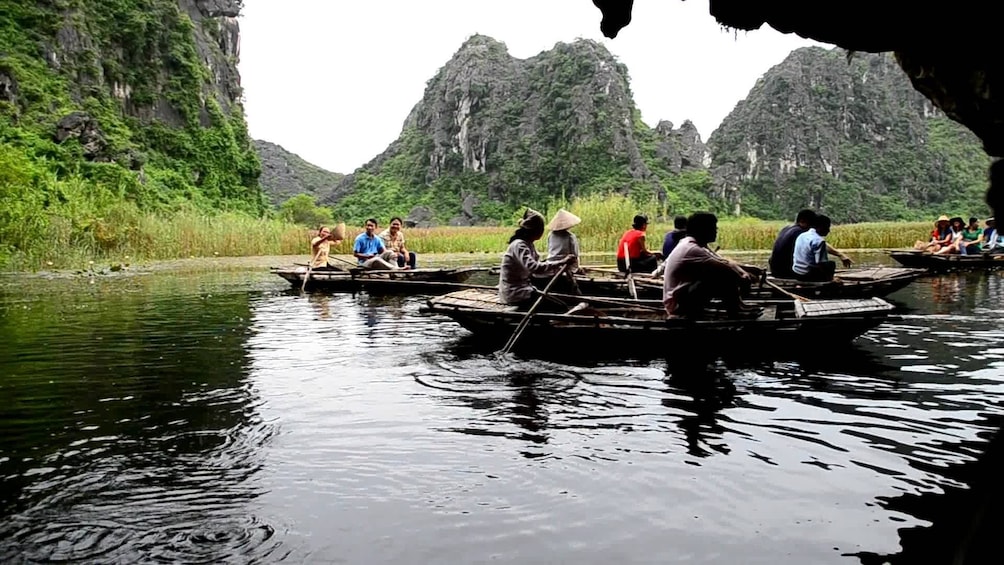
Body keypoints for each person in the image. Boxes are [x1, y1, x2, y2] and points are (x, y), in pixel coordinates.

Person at [663, 211, 759, 318]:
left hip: (682, 296)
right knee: (719, 275)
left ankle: (739, 306)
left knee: (721, 272)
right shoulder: (692, 248)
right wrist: (744, 278)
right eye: (713, 227)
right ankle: (735, 311)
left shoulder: (695, 244)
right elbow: (725, 268)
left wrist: (743, 271)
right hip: (677, 305)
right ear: (703, 229)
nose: (716, 230)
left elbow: (724, 261)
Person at [499, 208, 574, 310]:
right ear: (534, 230)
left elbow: (537, 266)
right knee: (560, 307)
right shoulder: (519, 245)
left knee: (561, 304)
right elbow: (534, 268)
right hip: (515, 292)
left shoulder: (528, 244)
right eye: (541, 229)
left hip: (526, 288)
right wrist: (562, 261)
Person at [769, 209, 852, 278]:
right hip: (786, 273)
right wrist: (839, 254)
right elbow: (818, 244)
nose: (813, 227)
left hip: (775, 271)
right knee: (829, 265)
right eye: (811, 224)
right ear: (802, 221)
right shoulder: (800, 232)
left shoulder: (786, 229)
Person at [792, 214, 837, 281]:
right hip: (808, 275)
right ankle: (830, 281)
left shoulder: (802, 235)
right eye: (827, 227)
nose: (828, 230)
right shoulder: (819, 241)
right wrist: (829, 277)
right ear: (821, 227)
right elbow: (821, 263)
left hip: (797, 273)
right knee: (831, 264)